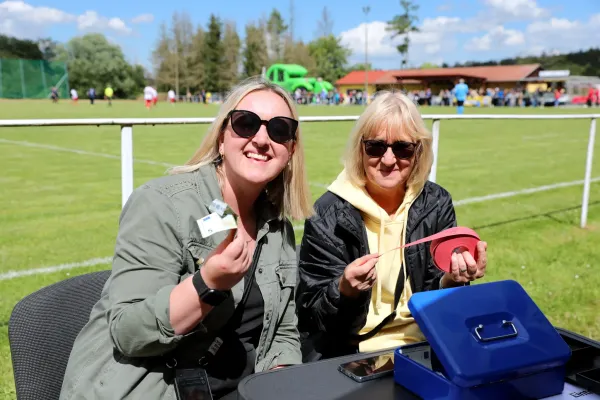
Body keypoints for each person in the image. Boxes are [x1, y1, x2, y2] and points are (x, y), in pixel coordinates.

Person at [60, 76, 313, 400]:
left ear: (291, 149)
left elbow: (283, 330)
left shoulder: (277, 227)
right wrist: (208, 284)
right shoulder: (161, 204)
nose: (262, 139)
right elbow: (129, 332)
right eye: (246, 123)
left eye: (279, 129)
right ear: (222, 137)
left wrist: (280, 380)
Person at [296, 90, 488, 360]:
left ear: (418, 151)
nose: (388, 160)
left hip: (427, 344)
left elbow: (443, 298)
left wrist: (453, 279)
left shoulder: (436, 202)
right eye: (375, 146)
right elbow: (312, 317)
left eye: (402, 148)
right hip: (352, 353)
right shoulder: (327, 213)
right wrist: (344, 290)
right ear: (359, 149)